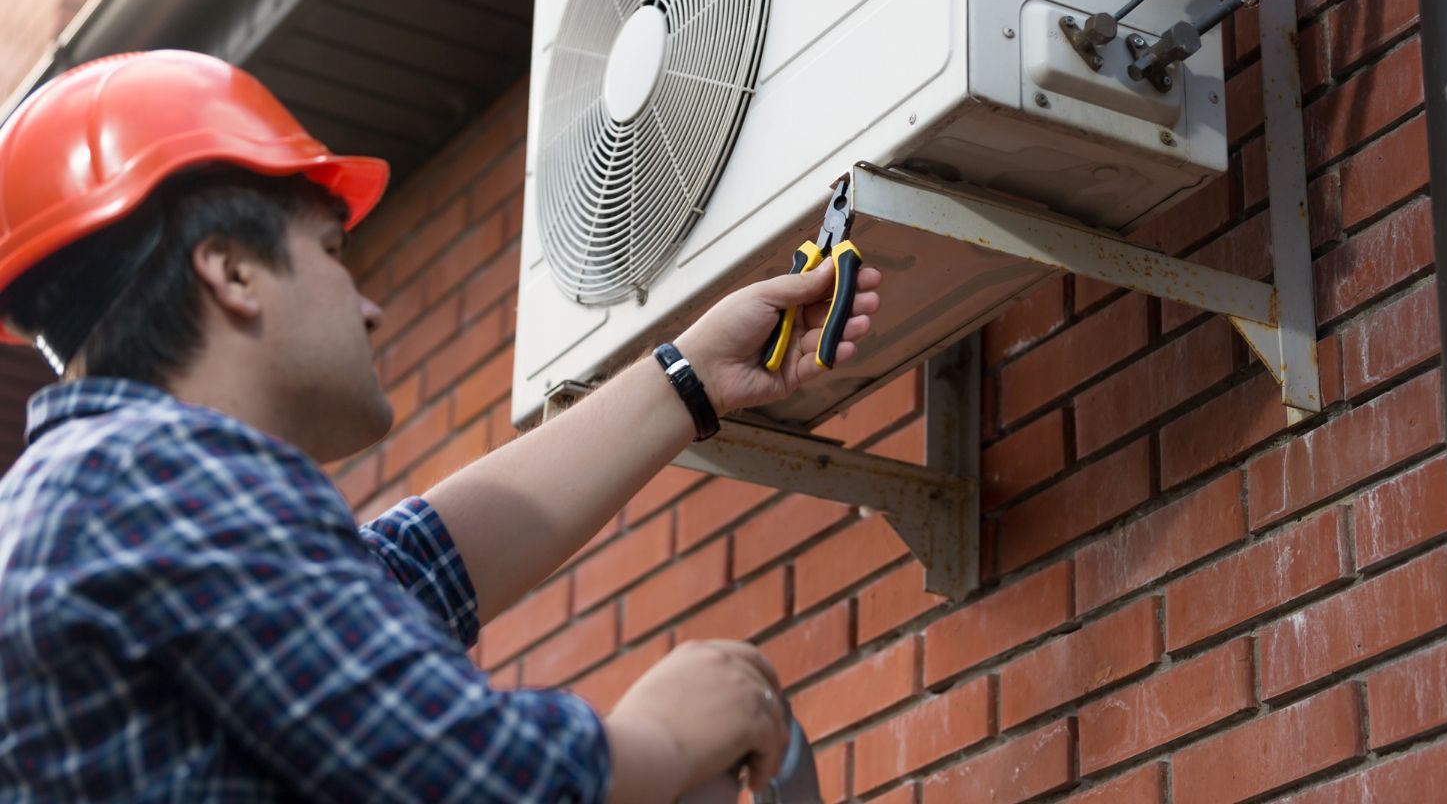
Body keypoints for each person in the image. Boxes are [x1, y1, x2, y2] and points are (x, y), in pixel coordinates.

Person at [0, 51, 881, 802]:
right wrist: (665, 736)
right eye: (335, 253)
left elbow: (406, 574)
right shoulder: (159, 478)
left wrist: (691, 377)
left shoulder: (102, 495)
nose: (371, 306)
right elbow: (471, 778)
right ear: (232, 270)